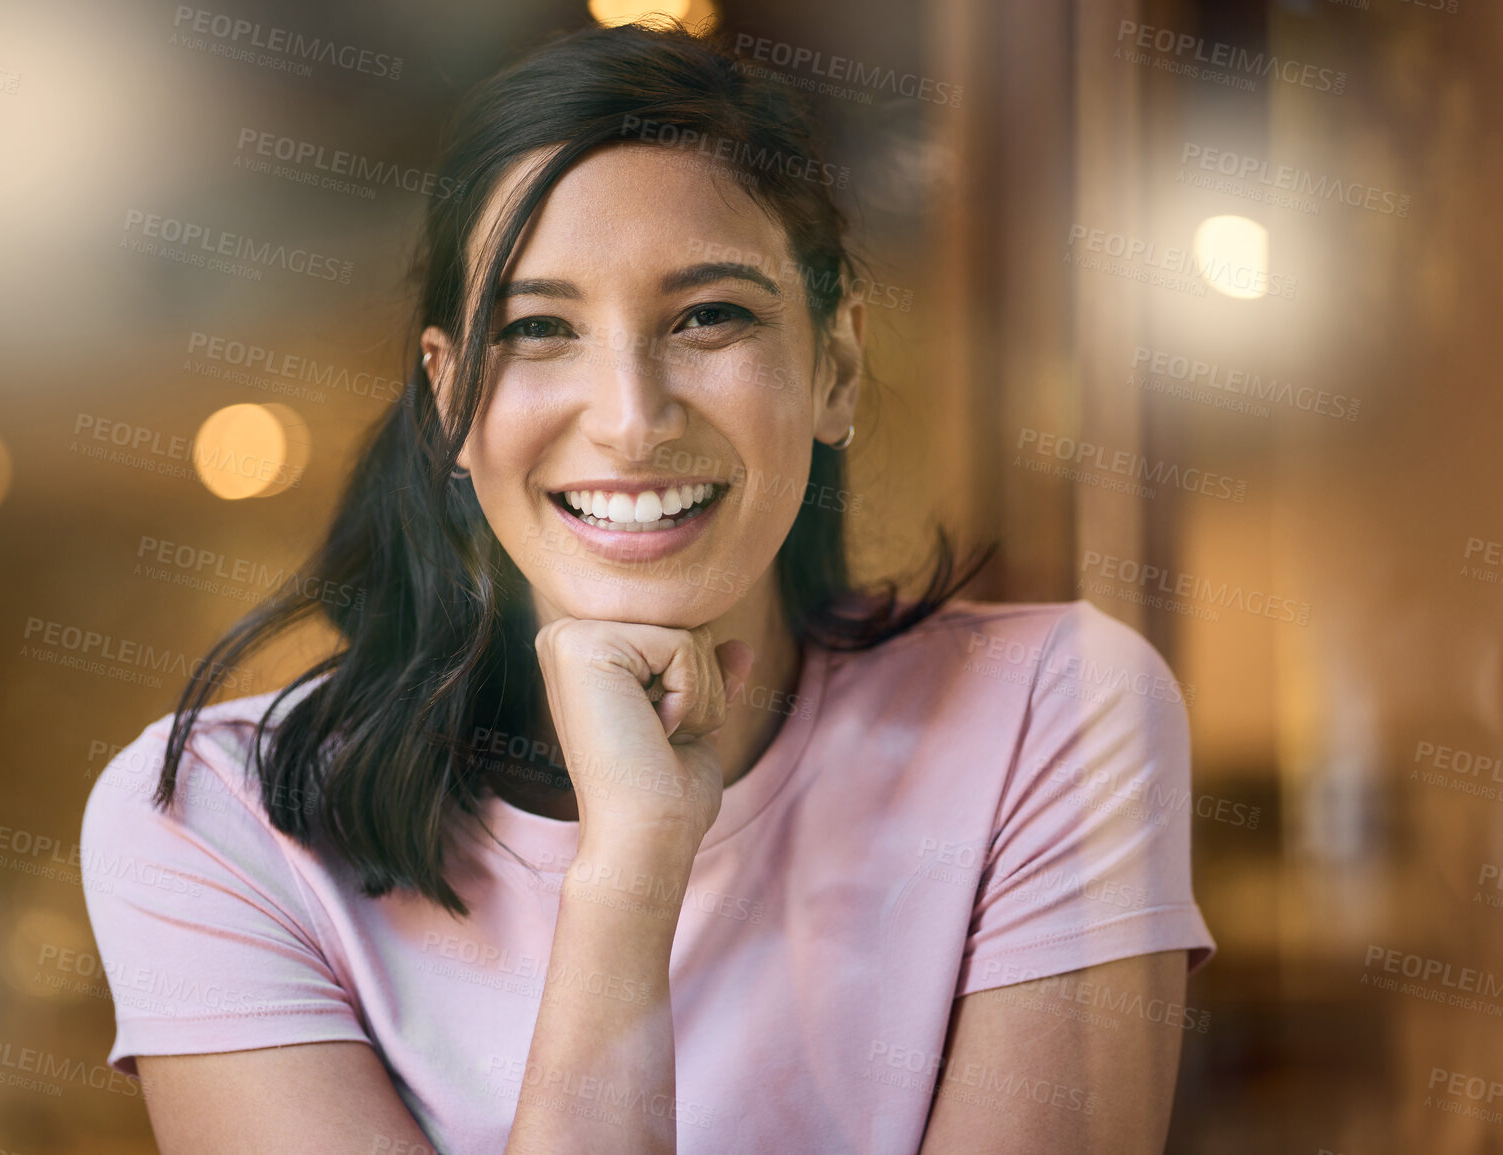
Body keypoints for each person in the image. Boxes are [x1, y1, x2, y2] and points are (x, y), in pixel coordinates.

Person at [79, 18, 1215, 1154]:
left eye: (709, 315)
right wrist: (627, 876)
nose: (630, 420)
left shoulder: (1052, 712)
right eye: (537, 328)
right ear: (447, 403)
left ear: (836, 366)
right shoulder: (213, 825)